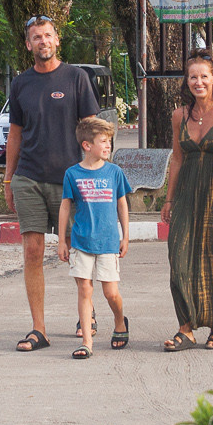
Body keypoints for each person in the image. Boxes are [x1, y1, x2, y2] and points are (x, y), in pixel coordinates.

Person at [3, 15, 101, 352]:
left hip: (70, 179)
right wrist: (8, 178)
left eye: (47, 35)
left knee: (77, 249)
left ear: (57, 40)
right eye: (36, 37)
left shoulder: (76, 78)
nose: (43, 41)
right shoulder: (20, 83)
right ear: (28, 44)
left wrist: (93, 173)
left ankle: (86, 314)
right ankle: (39, 329)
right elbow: (15, 134)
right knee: (32, 251)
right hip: (28, 177)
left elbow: (92, 129)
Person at [160, 50, 213, 351]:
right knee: (179, 257)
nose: (198, 82)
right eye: (192, 77)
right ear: (187, 81)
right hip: (186, 194)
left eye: (204, 76)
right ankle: (186, 328)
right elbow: (177, 159)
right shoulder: (179, 115)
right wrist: (169, 199)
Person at [56, 116, 132, 360]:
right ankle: (87, 342)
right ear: (87, 145)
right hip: (81, 241)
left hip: (108, 242)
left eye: (109, 141)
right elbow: (65, 207)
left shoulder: (114, 172)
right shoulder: (72, 174)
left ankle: (119, 321)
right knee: (84, 290)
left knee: (111, 293)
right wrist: (61, 240)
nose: (108, 146)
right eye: (103, 141)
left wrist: (125, 236)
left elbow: (122, 204)